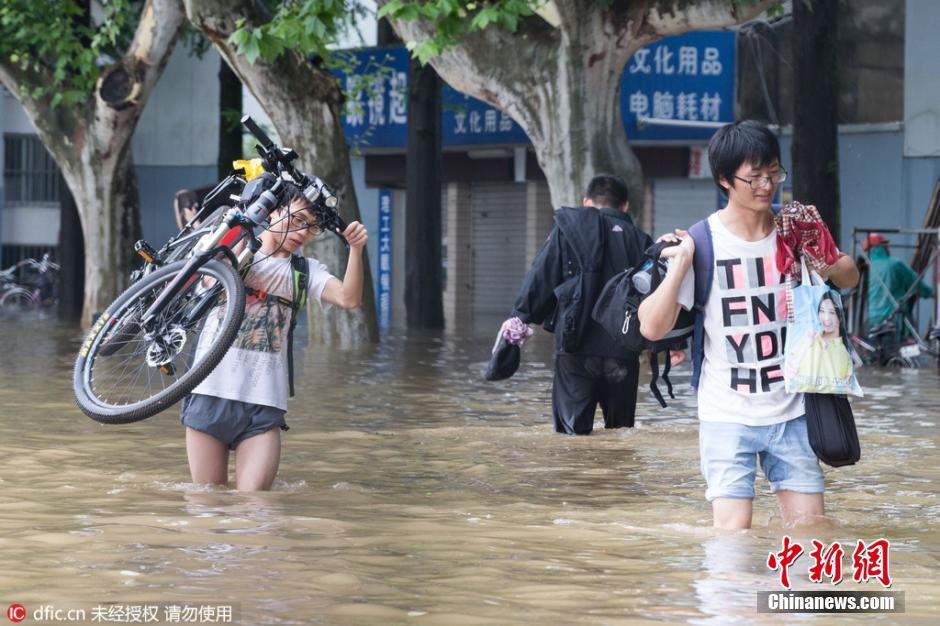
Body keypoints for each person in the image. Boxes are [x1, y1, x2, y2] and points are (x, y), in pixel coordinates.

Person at [637, 120, 859, 529]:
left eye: (773, 173)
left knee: (812, 533)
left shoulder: (795, 227)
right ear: (724, 179)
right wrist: (681, 263)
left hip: (794, 409)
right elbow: (650, 328)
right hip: (726, 414)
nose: (766, 185)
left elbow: (850, 277)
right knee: (732, 540)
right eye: (753, 177)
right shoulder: (703, 241)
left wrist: (819, 256)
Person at [180, 182, 368, 491]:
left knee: (258, 508)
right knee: (206, 505)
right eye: (296, 221)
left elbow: (349, 298)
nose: (302, 232)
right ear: (274, 211)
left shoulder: (305, 271)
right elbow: (202, 276)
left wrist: (356, 250)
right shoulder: (238, 251)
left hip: (263, 405)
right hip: (209, 391)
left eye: (310, 228)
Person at [511, 174, 655, 435]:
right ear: (625, 207)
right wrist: (666, 345)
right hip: (623, 352)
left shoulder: (568, 231)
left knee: (571, 438)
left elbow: (541, 275)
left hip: (575, 348)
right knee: (620, 435)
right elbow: (655, 294)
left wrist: (521, 317)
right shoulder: (641, 241)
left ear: (587, 202)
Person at [862, 232, 933, 331]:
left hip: (872, 320)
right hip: (896, 320)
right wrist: (931, 293)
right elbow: (917, 284)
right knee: (908, 344)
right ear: (882, 247)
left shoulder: (865, 269)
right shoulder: (895, 264)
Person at [788, 292, 854, 392]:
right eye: (822, 311)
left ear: (839, 317)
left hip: (829, 398)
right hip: (805, 396)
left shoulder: (843, 350)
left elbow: (847, 384)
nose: (826, 318)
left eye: (832, 312)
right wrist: (807, 345)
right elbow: (791, 374)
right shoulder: (808, 339)